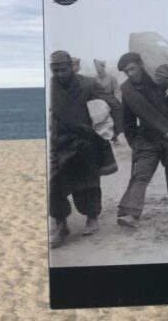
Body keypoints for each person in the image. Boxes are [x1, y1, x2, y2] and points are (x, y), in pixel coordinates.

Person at [48, 50, 123, 248]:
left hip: (84, 143)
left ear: (71, 67)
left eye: (63, 69)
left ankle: (92, 217)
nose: (59, 74)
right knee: (54, 185)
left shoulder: (88, 84)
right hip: (57, 144)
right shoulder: (51, 87)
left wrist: (115, 130)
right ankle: (61, 223)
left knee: (88, 185)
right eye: (54, 70)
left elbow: (114, 104)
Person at [115, 52, 168, 227]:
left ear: (141, 64)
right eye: (126, 71)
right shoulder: (127, 90)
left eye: (133, 68)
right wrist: (134, 142)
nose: (130, 73)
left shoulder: (161, 78)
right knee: (140, 175)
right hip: (147, 137)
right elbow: (127, 120)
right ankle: (131, 214)